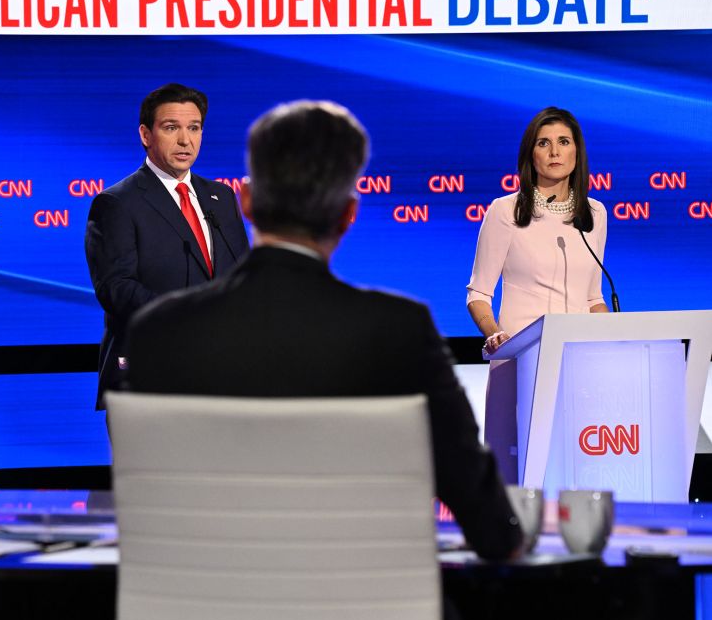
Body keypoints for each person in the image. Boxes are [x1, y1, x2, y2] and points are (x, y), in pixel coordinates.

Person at [126, 100, 524, 562]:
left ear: (248, 202)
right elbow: (492, 528)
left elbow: (150, 520)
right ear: (348, 214)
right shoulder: (398, 331)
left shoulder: (159, 331)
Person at [84, 83, 249, 409]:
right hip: (151, 377)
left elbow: (242, 275)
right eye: (171, 128)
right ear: (146, 135)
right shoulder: (117, 202)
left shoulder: (222, 197)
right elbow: (117, 289)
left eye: (194, 128)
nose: (185, 140)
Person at [466, 106, 608, 482]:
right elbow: (478, 291)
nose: (555, 151)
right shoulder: (505, 211)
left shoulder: (594, 213)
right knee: (516, 478)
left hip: (579, 366)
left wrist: (616, 339)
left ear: (577, 151)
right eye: (544, 143)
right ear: (531, 154)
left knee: (575, 474)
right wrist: (493, 331)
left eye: (564, 142)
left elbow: (593, 297)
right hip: (521, 362)